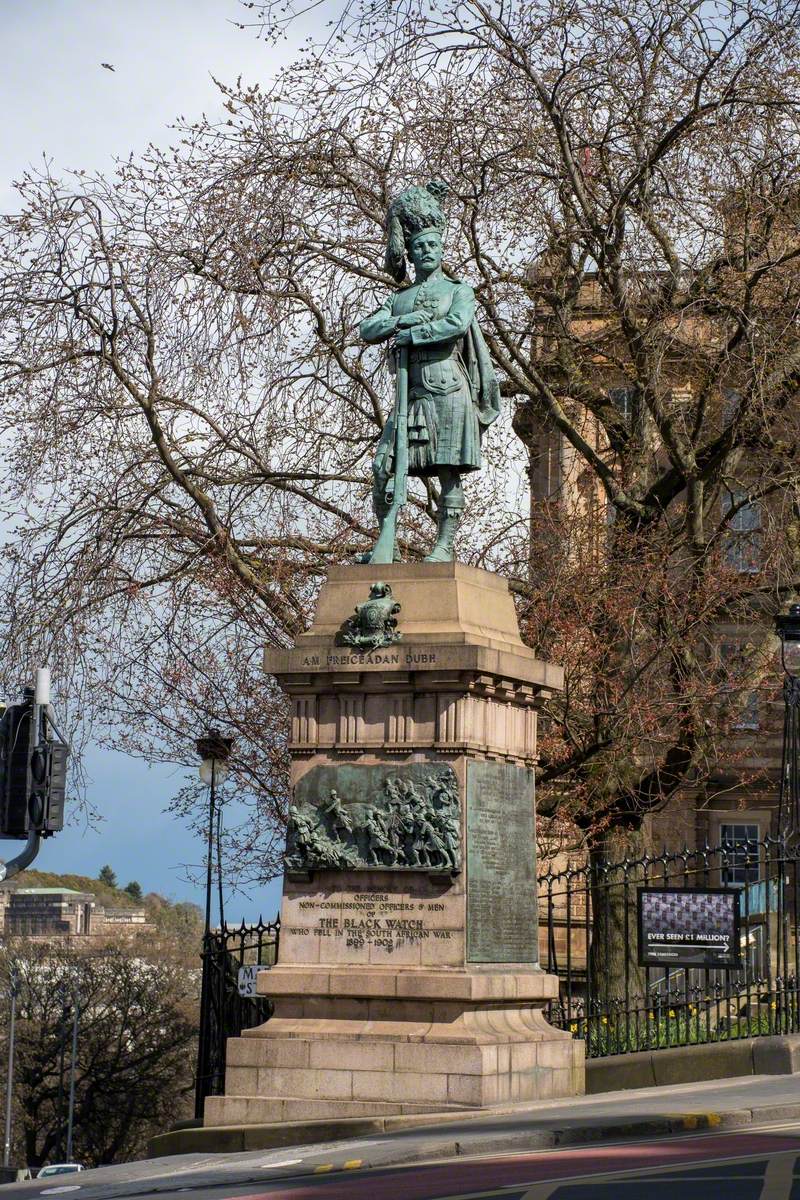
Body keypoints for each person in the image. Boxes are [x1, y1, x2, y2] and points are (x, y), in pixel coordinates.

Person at [360, 181, 500, 561]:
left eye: (431, 246)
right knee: (382, 466)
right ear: (410, 250)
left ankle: (444, 546)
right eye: (418, 246)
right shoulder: (399, 298)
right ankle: (383, 546)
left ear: (440, 250)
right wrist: (397, 325)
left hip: (448, 389)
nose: (425, 251)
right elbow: (367, 329)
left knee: (448, 470)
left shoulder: (459, 290)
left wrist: (414, 332)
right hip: (411, 394)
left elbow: (455, 324)